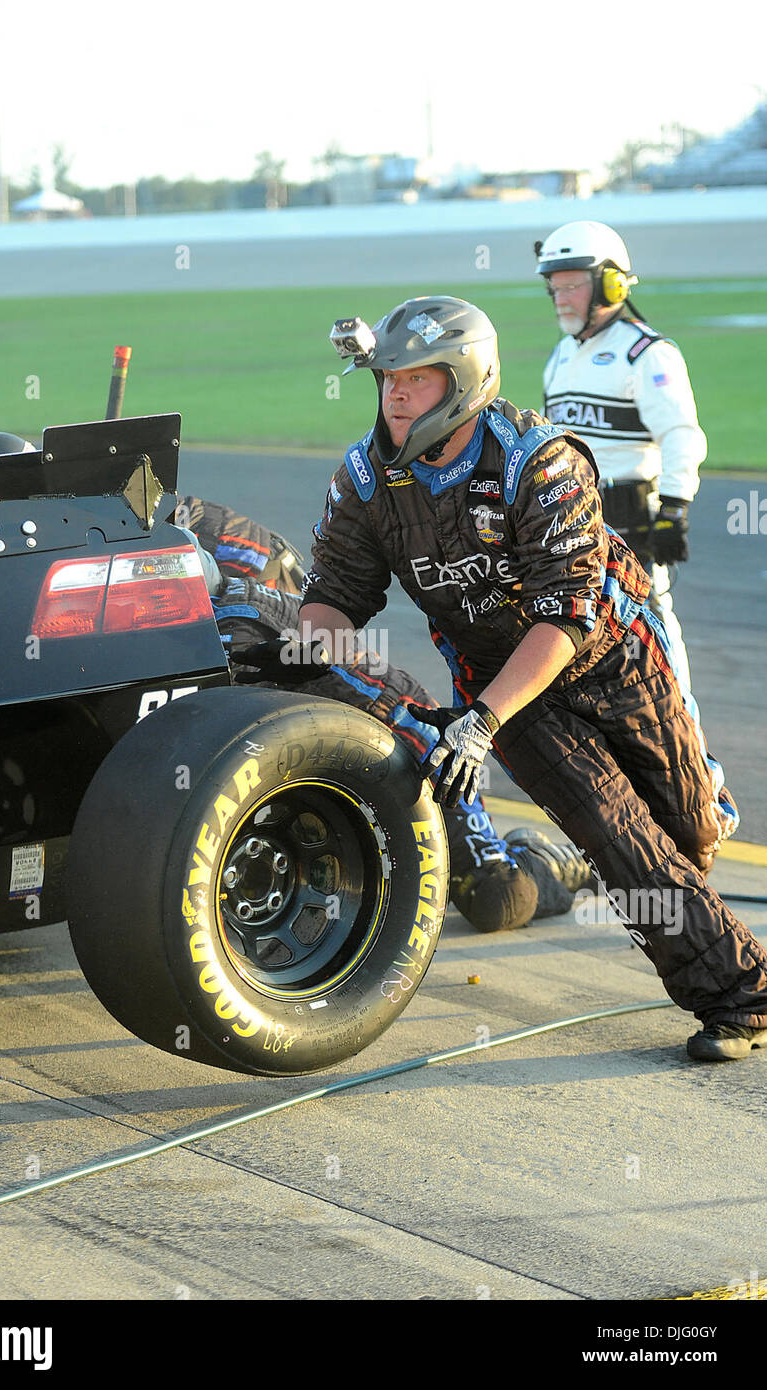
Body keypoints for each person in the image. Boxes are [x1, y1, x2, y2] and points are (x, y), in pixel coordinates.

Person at [237, 295, 767, 1063]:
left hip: (612, 652)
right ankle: (742, 1000)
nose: (393, 395)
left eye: (414, 380)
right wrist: (313, 657)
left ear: (462, 382)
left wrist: (478, 724)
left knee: (685, 834)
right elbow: (334, 597)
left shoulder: (540, 460)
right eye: (386, 378)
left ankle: (699, 803)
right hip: (502, 683)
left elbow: (565, 615)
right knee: (617, 836)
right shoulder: (362, 478)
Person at [178, 492, 594, 934]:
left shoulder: (255, 622)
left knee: (498, 896)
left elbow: (402, 706)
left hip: (404, 748)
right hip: (294, 752)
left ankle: (552, 859)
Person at [534, 221, 706, 689]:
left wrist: (674, 508)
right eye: (555, 286)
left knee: (650, 621)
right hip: (574, 514)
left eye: (573, 285)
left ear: (612, 282)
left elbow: (681, 435)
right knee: (579, 623)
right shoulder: (562, 355)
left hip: (633, 515)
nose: (561, 298)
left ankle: (685, 726)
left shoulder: (647, 354)